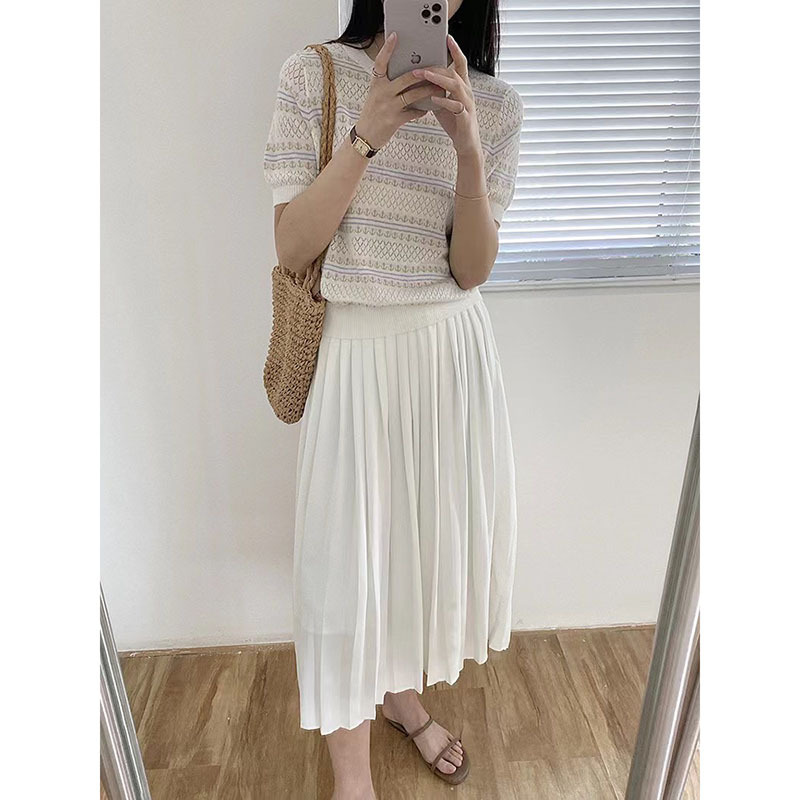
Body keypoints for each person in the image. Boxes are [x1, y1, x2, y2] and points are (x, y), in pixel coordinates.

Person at [263, 1, 523, 796]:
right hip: (355, 355)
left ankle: (401, 696)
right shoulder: (313, 75)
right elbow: (293, 246)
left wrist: (468, 149)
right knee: (345, 573)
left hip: (450, 357)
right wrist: (367, 134)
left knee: (417, 559)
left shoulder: (496, 105)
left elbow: (471, 270)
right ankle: (353, 778)